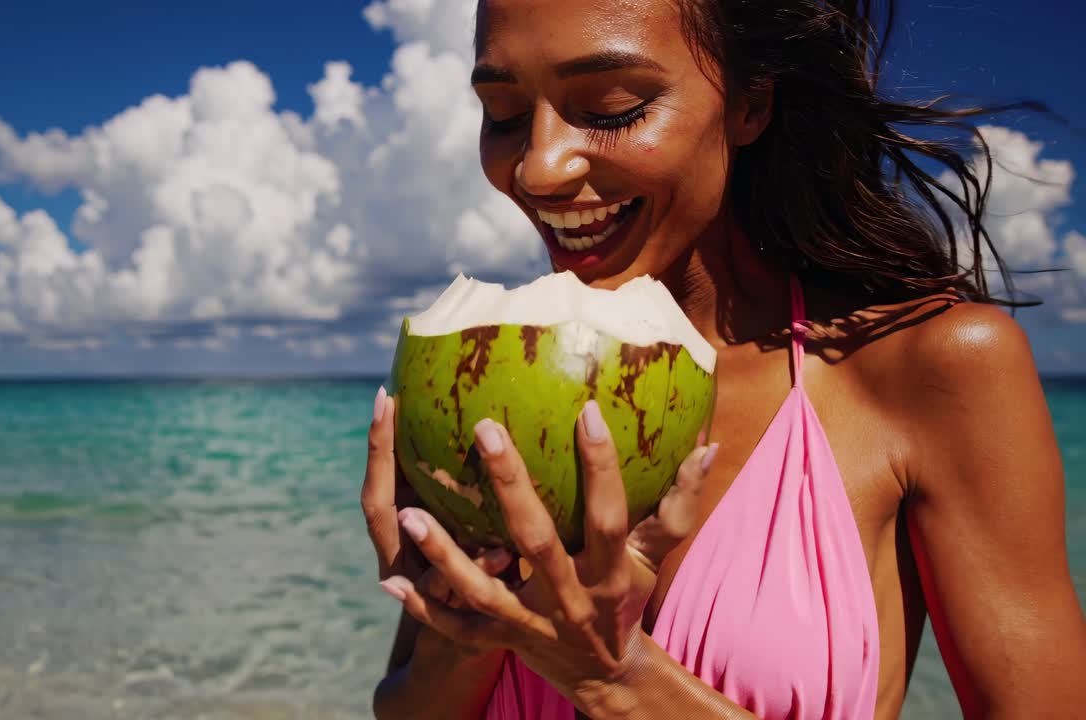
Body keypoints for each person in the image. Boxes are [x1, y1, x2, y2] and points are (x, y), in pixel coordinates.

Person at [360, 0, 1086, 717]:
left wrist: (619, 680)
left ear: (750, 103)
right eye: (505, 113)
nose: (539, 169)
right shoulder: (485, 383)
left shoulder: (930, 367)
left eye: (611, 107)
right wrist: (470, 632)